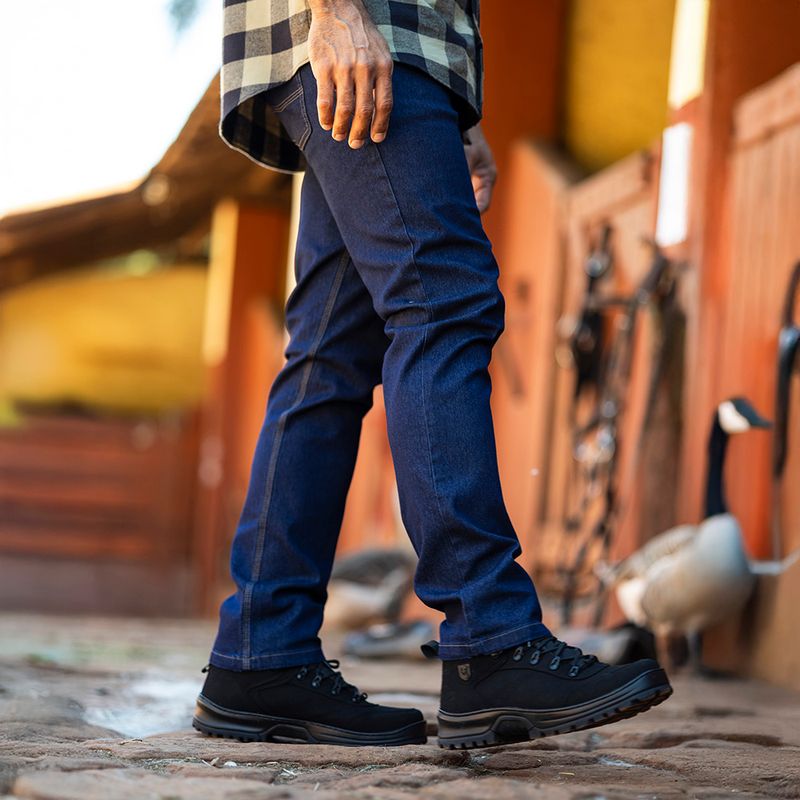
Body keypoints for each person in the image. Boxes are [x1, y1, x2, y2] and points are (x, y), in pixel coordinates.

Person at [194, 0, 672, 749]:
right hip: (365, 34)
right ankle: (491, 636)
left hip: (393, 50)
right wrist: (335, 12)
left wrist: (457, 107)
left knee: (330, 355)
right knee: (443, 305)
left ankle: (262, 654)